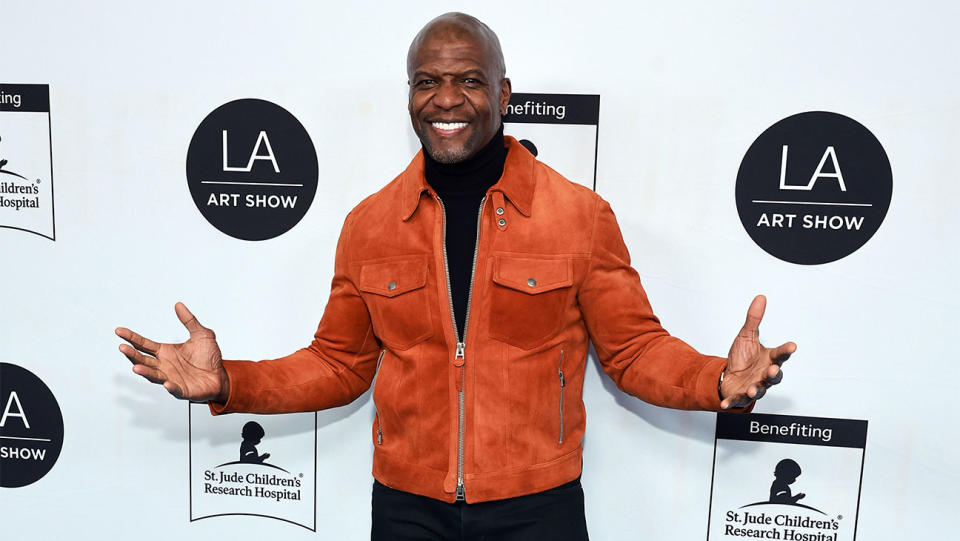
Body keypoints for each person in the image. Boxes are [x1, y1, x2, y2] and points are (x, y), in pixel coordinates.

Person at [116, 12, 795, 540]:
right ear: (409, 94)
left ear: (502, 92)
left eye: (469, 79)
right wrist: (230, 378)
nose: (447, 98)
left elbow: (633, 349)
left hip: (538, 509)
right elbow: (338, 363)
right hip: (408, 509)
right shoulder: (369, 224)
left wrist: (718, 380)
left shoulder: (579, 216)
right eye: (427, 80)